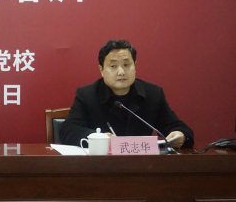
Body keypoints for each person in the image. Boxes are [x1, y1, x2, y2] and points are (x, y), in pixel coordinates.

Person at [59, 40, 194, 148]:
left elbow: (179, 128)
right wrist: (99, 138)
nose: (121, 72)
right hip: (101, 166)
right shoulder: (87, 95)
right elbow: (68, 130)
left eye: (126, 65)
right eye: (113, 66)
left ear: (135, 66)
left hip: (142, 166)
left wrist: (181, 135)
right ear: (101, 70)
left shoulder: (153, 94)